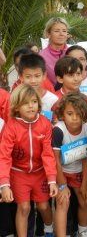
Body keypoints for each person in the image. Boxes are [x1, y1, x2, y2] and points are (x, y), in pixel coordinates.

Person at [0, 84, 58, 237]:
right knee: (24, 208)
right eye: (25, 103)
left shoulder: (45, 123)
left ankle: (48, 229)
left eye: (34, 102)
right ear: (17, 107)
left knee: (44, 206)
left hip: (40, 174)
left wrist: (52, 179)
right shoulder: (11, 126)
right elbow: (4, 156)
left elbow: (48, 154)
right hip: (18, 174)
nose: (31, 106)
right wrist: (4, 185)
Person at [52, 93, 87, 237]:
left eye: (78, 113)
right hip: (61, 172)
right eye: (70, 113)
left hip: (78, 172)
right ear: (62, 114)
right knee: (63, 202)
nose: (75, 118)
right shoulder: (58, 131)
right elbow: (55, 160)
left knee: (86, 201)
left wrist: (84, 183)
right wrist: (62, 185)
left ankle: (83, 229)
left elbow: (86, 158)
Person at [18, 53, 59, 122]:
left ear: (44, 75)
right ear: (21, 77)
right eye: (28, 76)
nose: (33, 81)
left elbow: (55, 122)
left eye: (37, 76)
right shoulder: (17, 98)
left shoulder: (53, 100)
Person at [39, 17, 69, 86]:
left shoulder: (73, 53)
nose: (61, 34)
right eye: (57, 31)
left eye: (64, 31)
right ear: (48, 34)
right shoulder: (41, 56)